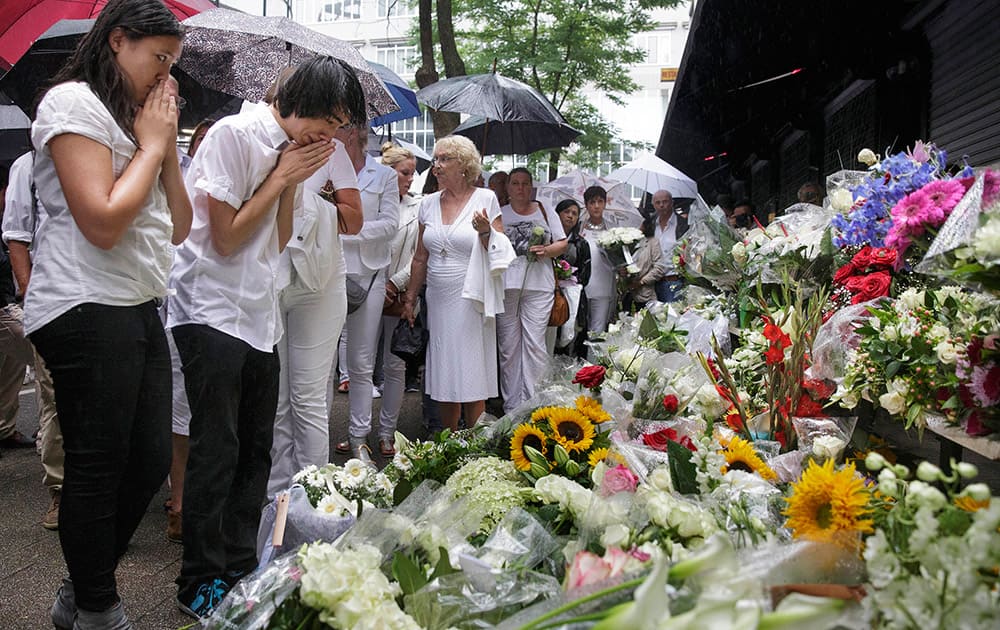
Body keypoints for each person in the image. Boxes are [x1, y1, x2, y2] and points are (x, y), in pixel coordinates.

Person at [168, 56, 356, 619]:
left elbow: (275, 244)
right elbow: (224, 239)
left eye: (337, 128)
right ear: (297, 103)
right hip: (209, 309)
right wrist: (279, 177)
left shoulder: (291, 155)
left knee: (255, 450)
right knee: (216, 448)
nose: (328, 138)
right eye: (324, 124)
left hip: (259, 314)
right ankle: (199, 578)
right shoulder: (233, 135)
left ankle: (238, 569)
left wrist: (291, 183)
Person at [23, 1, 191, 627]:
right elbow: (100, 221)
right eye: (158, 57)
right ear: (118, 41)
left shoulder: (139, 122)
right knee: (97, 460)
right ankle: (96, 605)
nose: (165, 73)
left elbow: (181, 225)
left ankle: (81, 589)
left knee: (149, 457)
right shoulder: (73, 104)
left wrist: (165, 149)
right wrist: (149, 147)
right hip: (82, 302)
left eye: (173, 61)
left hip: (137, 299)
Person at [266, 70, 364, 497]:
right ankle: (275, 501)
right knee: (276, 403)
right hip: (270, 279)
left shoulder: (333, 151)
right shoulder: (257, 142)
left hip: (319, 281)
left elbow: (355, 219)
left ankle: (312, 501)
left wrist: (313, 202)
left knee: (307, 397)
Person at [401, 135, 509, 431]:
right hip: (438, 296)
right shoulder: (428, 203)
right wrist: (411, 298)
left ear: (464, 164)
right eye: (435, 159)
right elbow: (420, 257)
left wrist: (486, 232)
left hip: (471, 296)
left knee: (471, 369)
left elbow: (500, 250)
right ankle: (448, 441)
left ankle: (474, 445)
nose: (436, 166)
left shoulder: (485, 198)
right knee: (445, 371)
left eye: (444, 159)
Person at [2, 151, 64, 531]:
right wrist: (31, 295)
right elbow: (17, 239)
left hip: (109, 300)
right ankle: (60, 489)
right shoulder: (28, 166)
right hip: (51, 300)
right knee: (54, 397)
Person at [331, 125, 399, 463]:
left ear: (356, 136)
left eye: (340, 131)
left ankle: (359, 438)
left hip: (370, 276)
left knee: (360, 363)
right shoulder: (322, 168)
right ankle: (313, 444)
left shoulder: (383, 175)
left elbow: (390, 225)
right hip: (328, 273)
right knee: (324, 363)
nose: (332, 136)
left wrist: (346, 231)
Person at [497, 168, 567, 413]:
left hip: (539, 286)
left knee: (535, 345)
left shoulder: (545, 209)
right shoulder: (499, 213)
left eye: (525, 183)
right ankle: (511, 407)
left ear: (532, 187)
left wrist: (547, 251)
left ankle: (533, 404)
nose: (520, 188)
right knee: (508, 347)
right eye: (515, 183)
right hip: (506, 287)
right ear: (507, 187)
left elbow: (562, 242)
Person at [374, 142, 421, 455]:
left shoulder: (417, 207)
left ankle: (387, 431)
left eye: (413, 174)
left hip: (398, 293)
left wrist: (394, 282)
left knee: (395, 366)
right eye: (405, 173)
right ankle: (357, 431)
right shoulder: (368, 201)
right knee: (361, 366)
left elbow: (419, 253)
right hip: (363, 289)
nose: (410, 180)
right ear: (387, 172)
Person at [549, 199, 591, 357]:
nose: (570, 216)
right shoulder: (548, 239)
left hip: (574, 296)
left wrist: (567, 277)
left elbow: (585, 275)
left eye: (574, 213)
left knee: (573, 338)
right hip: (550, 293)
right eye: (566, 212)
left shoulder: (581, 243)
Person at [579, 185, 624, 334]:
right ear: (586, 205)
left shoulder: (613, 230)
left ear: (605, 203)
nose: (596, 206)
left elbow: (620, 260)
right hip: (580, 287)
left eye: (600, 201)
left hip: (603, 287)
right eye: (592, 202)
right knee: (576, 330)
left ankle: (592, 358)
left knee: (597, 331)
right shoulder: (578, 228)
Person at [623, 215, 665, 311]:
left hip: (645, 296)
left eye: (638, 222)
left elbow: (659, 268)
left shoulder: (652, 242)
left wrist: (641, 282)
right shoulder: (624, 244)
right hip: (626, 296)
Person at [652, 190, 687, 302]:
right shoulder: (650, 225)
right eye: (658, 202)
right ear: (653, 205)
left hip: (674, 282)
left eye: (665, 201)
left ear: (672, 202)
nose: (662, 205)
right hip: (652, 284)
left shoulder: (683, 224)